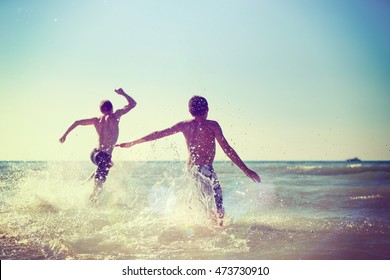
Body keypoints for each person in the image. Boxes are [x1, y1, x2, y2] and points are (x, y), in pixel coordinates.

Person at [116, 96, 260, 225]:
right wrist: (246, 170)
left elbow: (158, 134)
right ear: (207, 110)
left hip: (191, 170)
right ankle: (217, 228)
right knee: (217, 200)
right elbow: (227, 149)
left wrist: (133, 143)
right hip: (205, 169)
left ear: (190, 111)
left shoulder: (185, 125)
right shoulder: (212, 125)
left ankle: (210, 225)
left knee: (206, 200)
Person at [59, 88, 137, 202]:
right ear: (112, 108)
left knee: (109, 164)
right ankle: (92, 201)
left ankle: (86, 182)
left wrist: (64, 135)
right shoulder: (115, 116)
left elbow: (77, 122)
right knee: (99, 184)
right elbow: (133, 104)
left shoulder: (96, 120)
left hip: (94, 154)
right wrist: (123, 93)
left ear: (101, 110)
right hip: (103, 156)